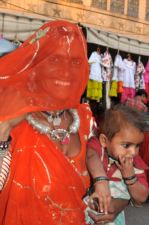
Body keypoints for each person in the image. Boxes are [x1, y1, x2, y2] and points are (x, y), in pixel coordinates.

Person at [0, 20, 128, 225]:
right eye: (55, 60)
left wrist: (110, 200)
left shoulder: (84, 118)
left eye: (75, 62)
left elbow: (118, 176)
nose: (66, 71)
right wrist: (4, 127)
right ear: (37, 63)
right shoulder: (12, 112)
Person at [86, 104, 149, 225]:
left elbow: (141, 198)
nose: (133, 152)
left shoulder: (135, 163)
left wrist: (130, 178)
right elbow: (91, 156)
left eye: (137, 146)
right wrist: (101, 180)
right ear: (104, 141)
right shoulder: (98, 149)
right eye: (126, 145)